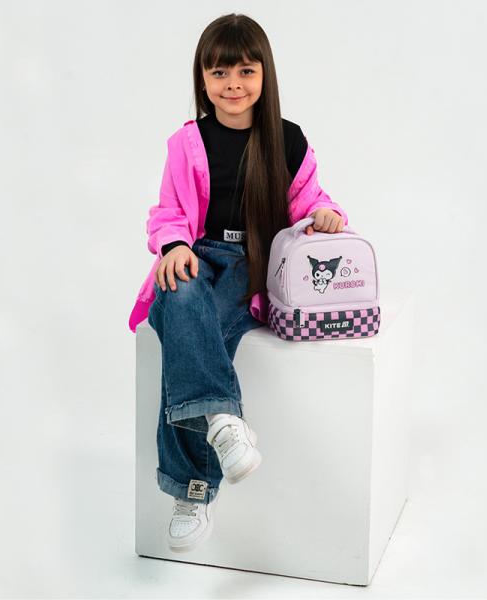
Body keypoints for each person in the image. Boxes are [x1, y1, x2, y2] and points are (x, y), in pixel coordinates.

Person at [128, 13, 350, 553]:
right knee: (179, 293)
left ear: (264, 75)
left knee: (187, 340)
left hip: (250, 265)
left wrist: (325, 215)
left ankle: (191, 490)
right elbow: (167, 212)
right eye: (220, 72)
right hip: (197, 255)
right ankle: (225, 422)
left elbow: (309, 200)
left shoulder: (287, 141)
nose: (233, 84)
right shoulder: (187, 142)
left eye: (246, 71)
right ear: (202, 79)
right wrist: (174, 246)